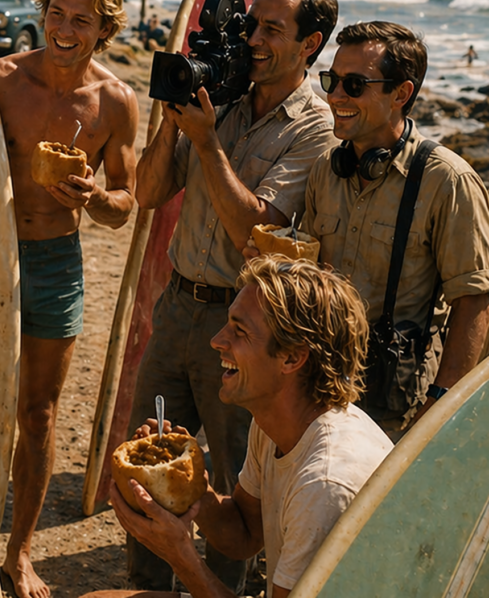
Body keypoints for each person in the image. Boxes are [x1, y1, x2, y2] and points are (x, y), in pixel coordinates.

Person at [131, 0, 339, 592]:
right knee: (146, 461)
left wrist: (207, 143)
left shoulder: (314, 127)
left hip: (242, 322)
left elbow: (255, 232)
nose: (252, 39)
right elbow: (146, 193)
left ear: (309, 45)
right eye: (252, 24)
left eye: (272, 29)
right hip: (177, 306)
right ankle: (142, 585)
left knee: (231, 488)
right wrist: (173, 125)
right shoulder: (222, 95)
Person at [81, 255, 393, 598]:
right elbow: (243, 534)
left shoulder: (324, 485)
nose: (217, 340)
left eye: (239, 331)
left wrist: (182, 557)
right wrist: (184, 480)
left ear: (291, 357)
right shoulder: (276, 421)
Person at [0, 0, 139, 598]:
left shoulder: (114, 101)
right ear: (43, 8)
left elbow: (124, 204)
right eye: (56, 12)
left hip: (56, 259)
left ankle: (19, 551)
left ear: (104, 29)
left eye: (82, 19)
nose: (64, 28)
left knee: (39, 413)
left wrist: (92, 198)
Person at [302, 21, 489, 436]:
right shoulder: (325, 171)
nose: (333, 97)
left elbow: (473, 304)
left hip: (397, 405)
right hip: (322, 385)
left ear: (401, 94)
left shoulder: (448, 182)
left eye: (353, 85)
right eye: (331, 81)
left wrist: (440, 407)